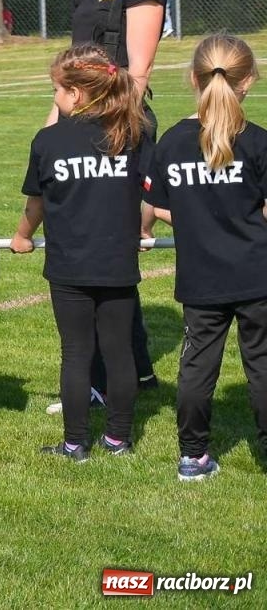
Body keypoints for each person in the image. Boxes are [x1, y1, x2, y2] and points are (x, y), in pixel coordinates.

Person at [10, 45, 154, 462]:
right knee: (118, 350)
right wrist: (145, 228)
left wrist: (22, 237)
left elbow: (35, 205)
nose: (54, 98)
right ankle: (118, 439)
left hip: (70, 264)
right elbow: (149, 195)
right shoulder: (133, 132)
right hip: (117, 262)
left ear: (75, 94)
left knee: (76, 352)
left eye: (56, 89)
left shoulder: (50, 139)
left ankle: (75, 444)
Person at [55, 0, 167, 405]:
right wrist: (54, 131)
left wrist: (111, 131)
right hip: (82, 125)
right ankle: (136, 372)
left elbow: (137, 70)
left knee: (104, 254)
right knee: (100, 254)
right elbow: (74, 71)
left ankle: (101, 380)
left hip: (120, 127)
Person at [142, 34, 267, 482]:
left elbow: (156, 205)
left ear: (193, 79)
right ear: (248, 80)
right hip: (257, 273)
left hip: (201, 279)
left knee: (197, 366)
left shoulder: (172, 143)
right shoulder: (257, 142)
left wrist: (168, 224)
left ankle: (192, 457)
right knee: (263, 363)